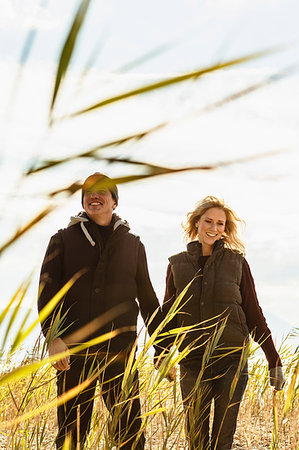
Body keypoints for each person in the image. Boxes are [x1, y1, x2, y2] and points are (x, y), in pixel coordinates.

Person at [38, 172, 165, 449]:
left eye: (102, 192)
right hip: (74, 352)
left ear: (114, 202)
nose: (94, 196)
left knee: (129, 432)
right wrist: (53, 337)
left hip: (120, 352)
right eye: (89, 192)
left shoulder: (133, 245)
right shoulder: (62, 240)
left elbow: (147, 299)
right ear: (84, 201)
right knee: (71, 434)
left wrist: (163, 347)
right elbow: (46, 295)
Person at [162, 195, 285, 450]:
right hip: (192, 361)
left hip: (231, 361)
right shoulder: (177, 264)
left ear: (225, 229)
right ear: (196, 223)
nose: (214, 228)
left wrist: (274, 360)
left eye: (220, 224)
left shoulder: (237, 263)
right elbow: (168, 316)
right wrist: (162, 354)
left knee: (222, 440)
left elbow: (253, 314)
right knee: (196, 440)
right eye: (209, 221)